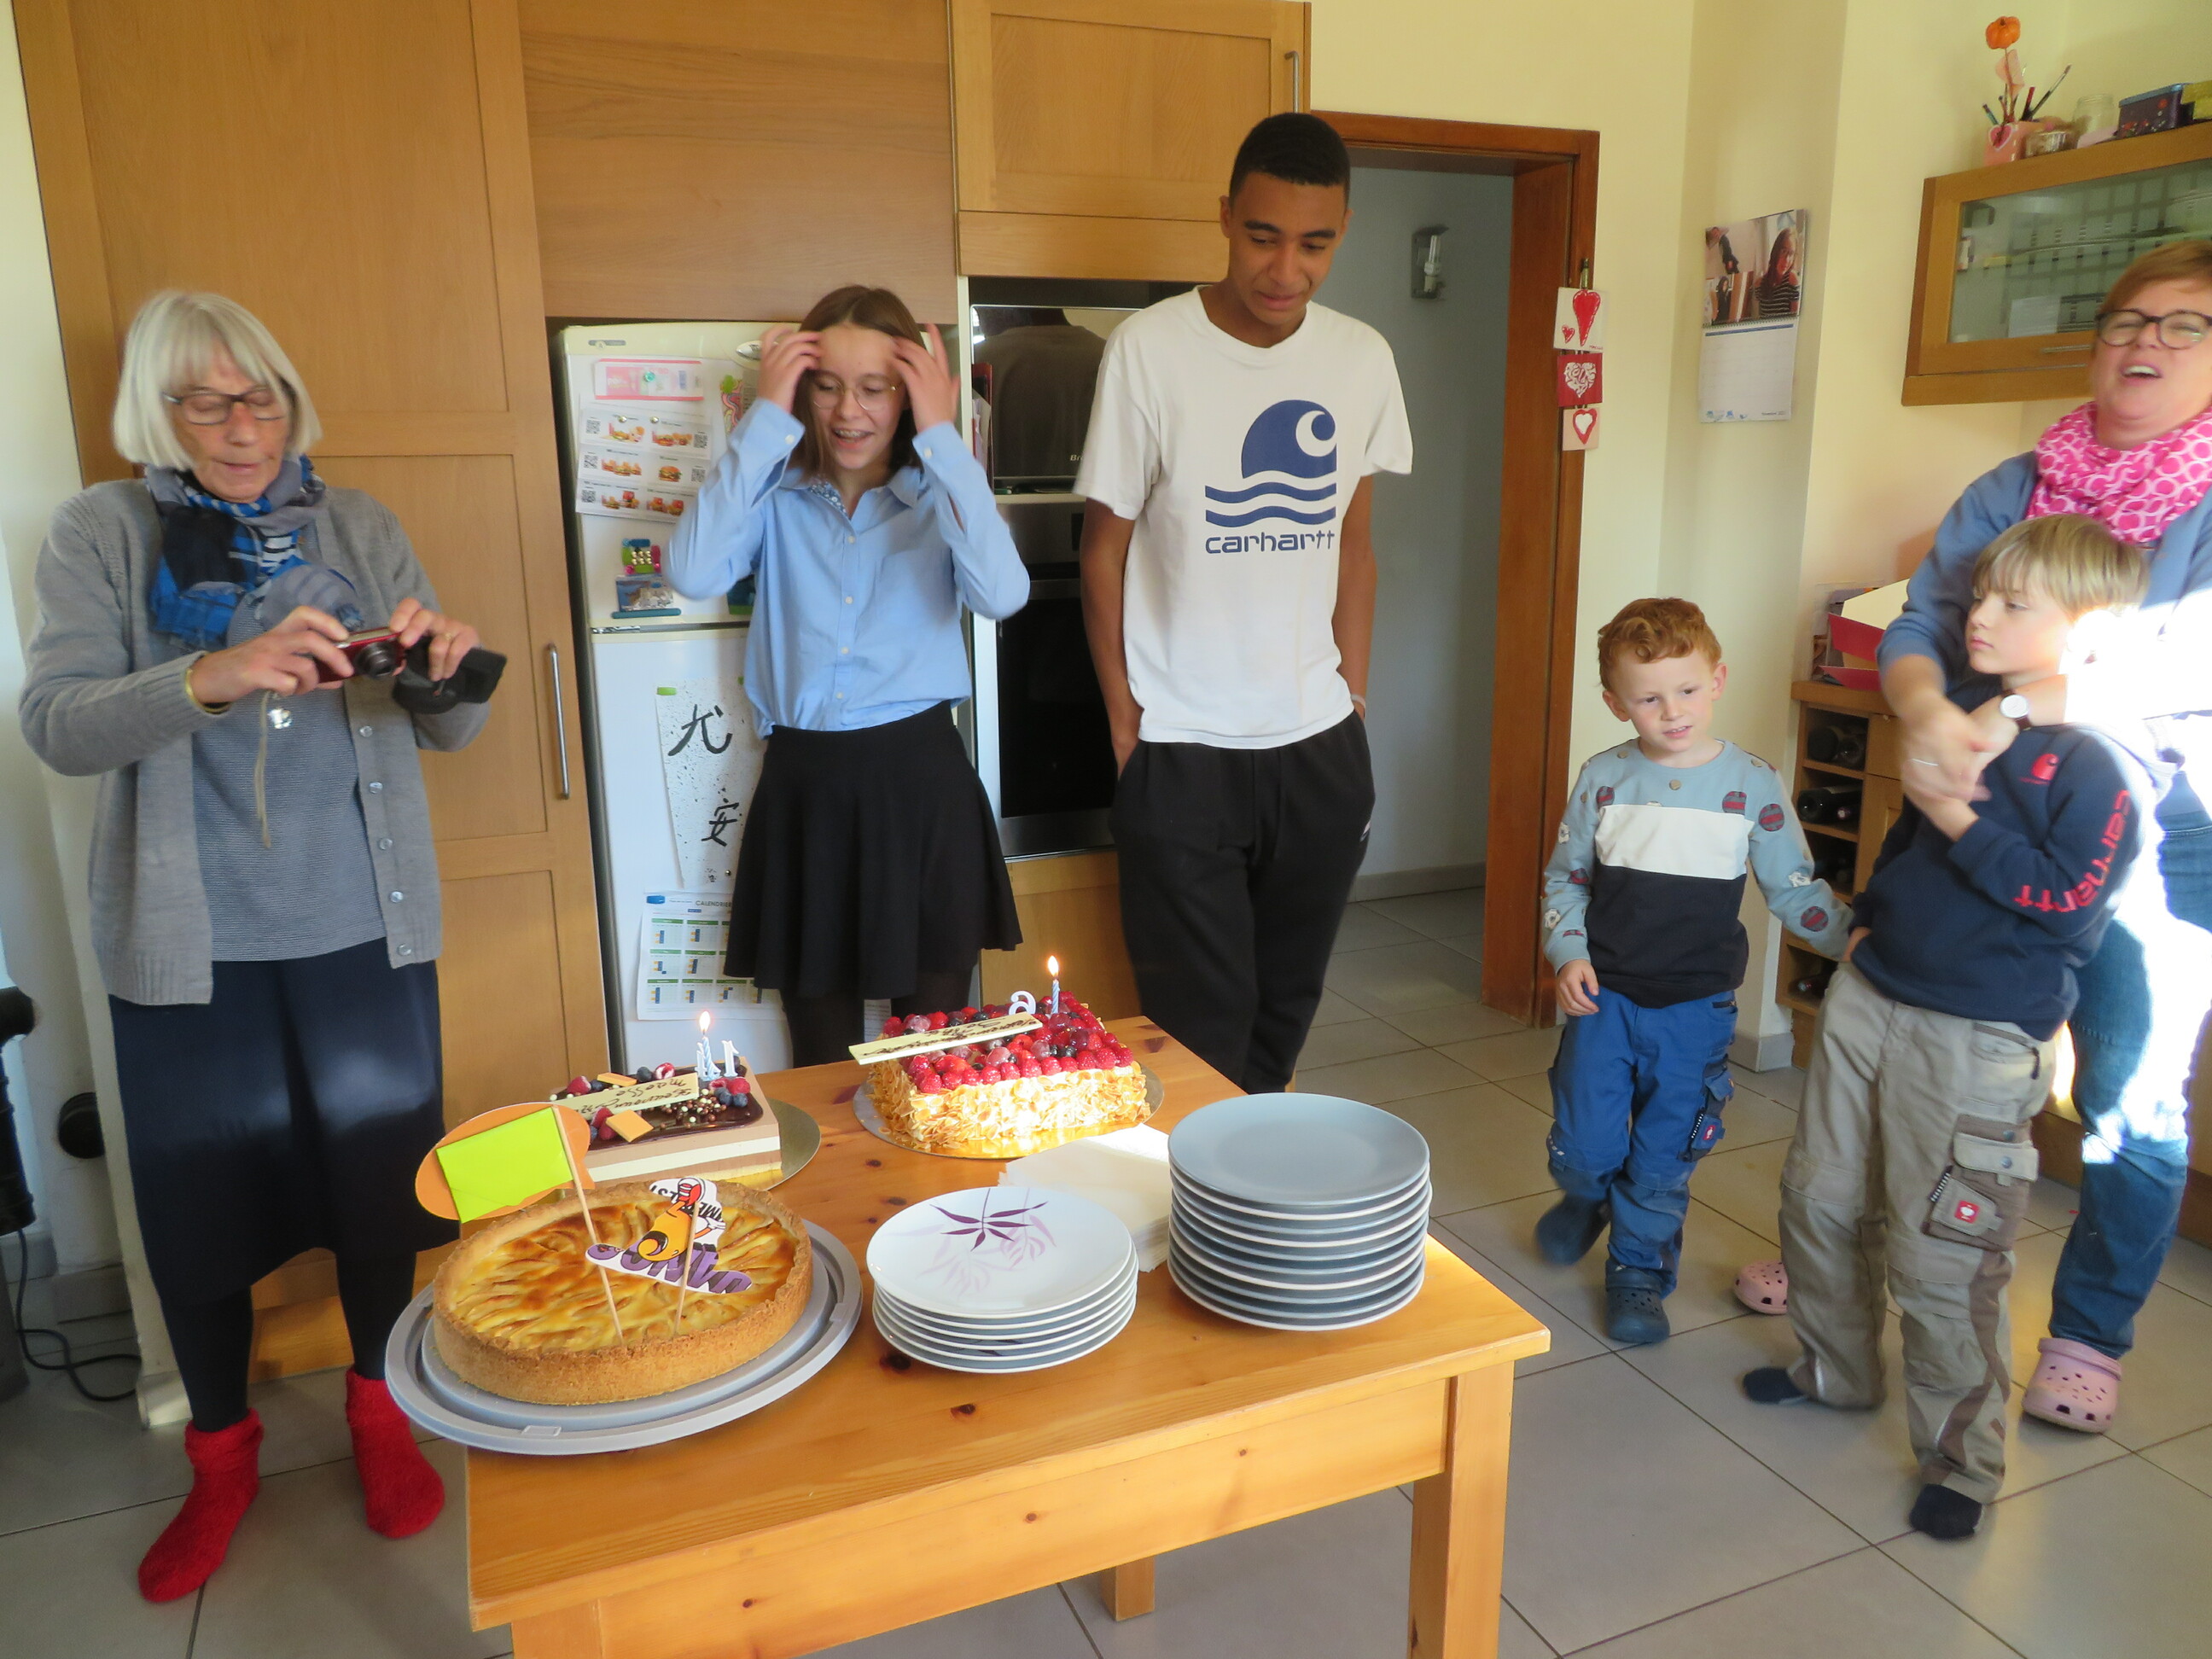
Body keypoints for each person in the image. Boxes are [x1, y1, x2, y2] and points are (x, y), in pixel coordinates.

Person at [19, 291, 486, 1598]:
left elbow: (444, 727)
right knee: (199, 1210)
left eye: (260, 397)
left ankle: (379, 1412)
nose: (241, 428)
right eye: (203, 402)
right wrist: (211, 674)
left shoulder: (359, 525)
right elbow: (55, 722)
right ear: (154, 415)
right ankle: (221, 1458)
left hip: (364, 927)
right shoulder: (102, 534)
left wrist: (444, 670)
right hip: (192, 945)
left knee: (382, 1185)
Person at [1736, 240, 2212, 1434]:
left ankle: (2088, 1331)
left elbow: (2182, 668)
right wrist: (1924, 710)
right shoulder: (2018, 482)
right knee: (1911, 1039)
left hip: (2159, 833)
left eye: (2185, 326)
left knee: (2128, 1097)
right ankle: (1845, 1255)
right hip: (1976, 804)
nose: (2146, 343)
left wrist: (2017, 708)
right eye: (2126, 320)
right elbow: (1922, 626)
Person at [1743, 515, 2149, 1542]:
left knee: (1946, 1257)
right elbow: (1910, 833)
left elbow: (2065, 902)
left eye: (2015, 604)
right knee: (1822, 1198)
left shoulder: (2100, 767)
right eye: (1980, 596)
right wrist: (1871, 913)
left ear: (2091, 634)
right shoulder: (1966, 711)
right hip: (1875, 995)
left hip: (1977, 1042)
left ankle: (1962, 1463)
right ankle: (1836, 1371)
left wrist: (1964, 816)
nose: (1980, 616)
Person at [1076, 113, 1411, 1096]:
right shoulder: (1148, 349)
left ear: (1343, 232)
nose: (1286, 269)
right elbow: (1103, 553)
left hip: (1318, 748)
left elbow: (1355, 545)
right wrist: (1127, 724)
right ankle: (1201, 1188)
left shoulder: (1362, 358)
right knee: (1200, 1040)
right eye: (1264, 236)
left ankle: (1246, 1191)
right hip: (1182, 750)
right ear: (1226, 216)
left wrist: (1354, 702)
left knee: (1281, 1024)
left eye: (1315, 244)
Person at [667, 286, 1028, 1065]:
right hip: (807, 791)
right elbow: (691, 573)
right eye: (826, 386)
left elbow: (1003, 595)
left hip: (922, 789)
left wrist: (944, 437)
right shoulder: (772, 492)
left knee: (932, 1066)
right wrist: (766, 420)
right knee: (822, 1068)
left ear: (909, 396)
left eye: (876, 388)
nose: (848, 411)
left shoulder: (939, 495)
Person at [1537, 599, 1849, 1345]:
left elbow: (1794, 890)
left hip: (1695, 1010)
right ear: (1615, 702)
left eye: (1686, 690)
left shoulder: (1753, 784)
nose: (1671, 711)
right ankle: (1586, 1195)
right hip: (1604, 1001)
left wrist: (1861, 943)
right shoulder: (1605, 777)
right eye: (1648, 698)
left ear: (1718, 680)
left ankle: (1638, 1275)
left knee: (1664, 1157)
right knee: (1586, 1148)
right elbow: (1565, 880)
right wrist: (1568, 953)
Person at [974, 306, 1106, 484]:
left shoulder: (973, 358)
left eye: (980, 313)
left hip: (995, 500)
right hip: (1098, 499)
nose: (982, 324)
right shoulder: (1109, 354)